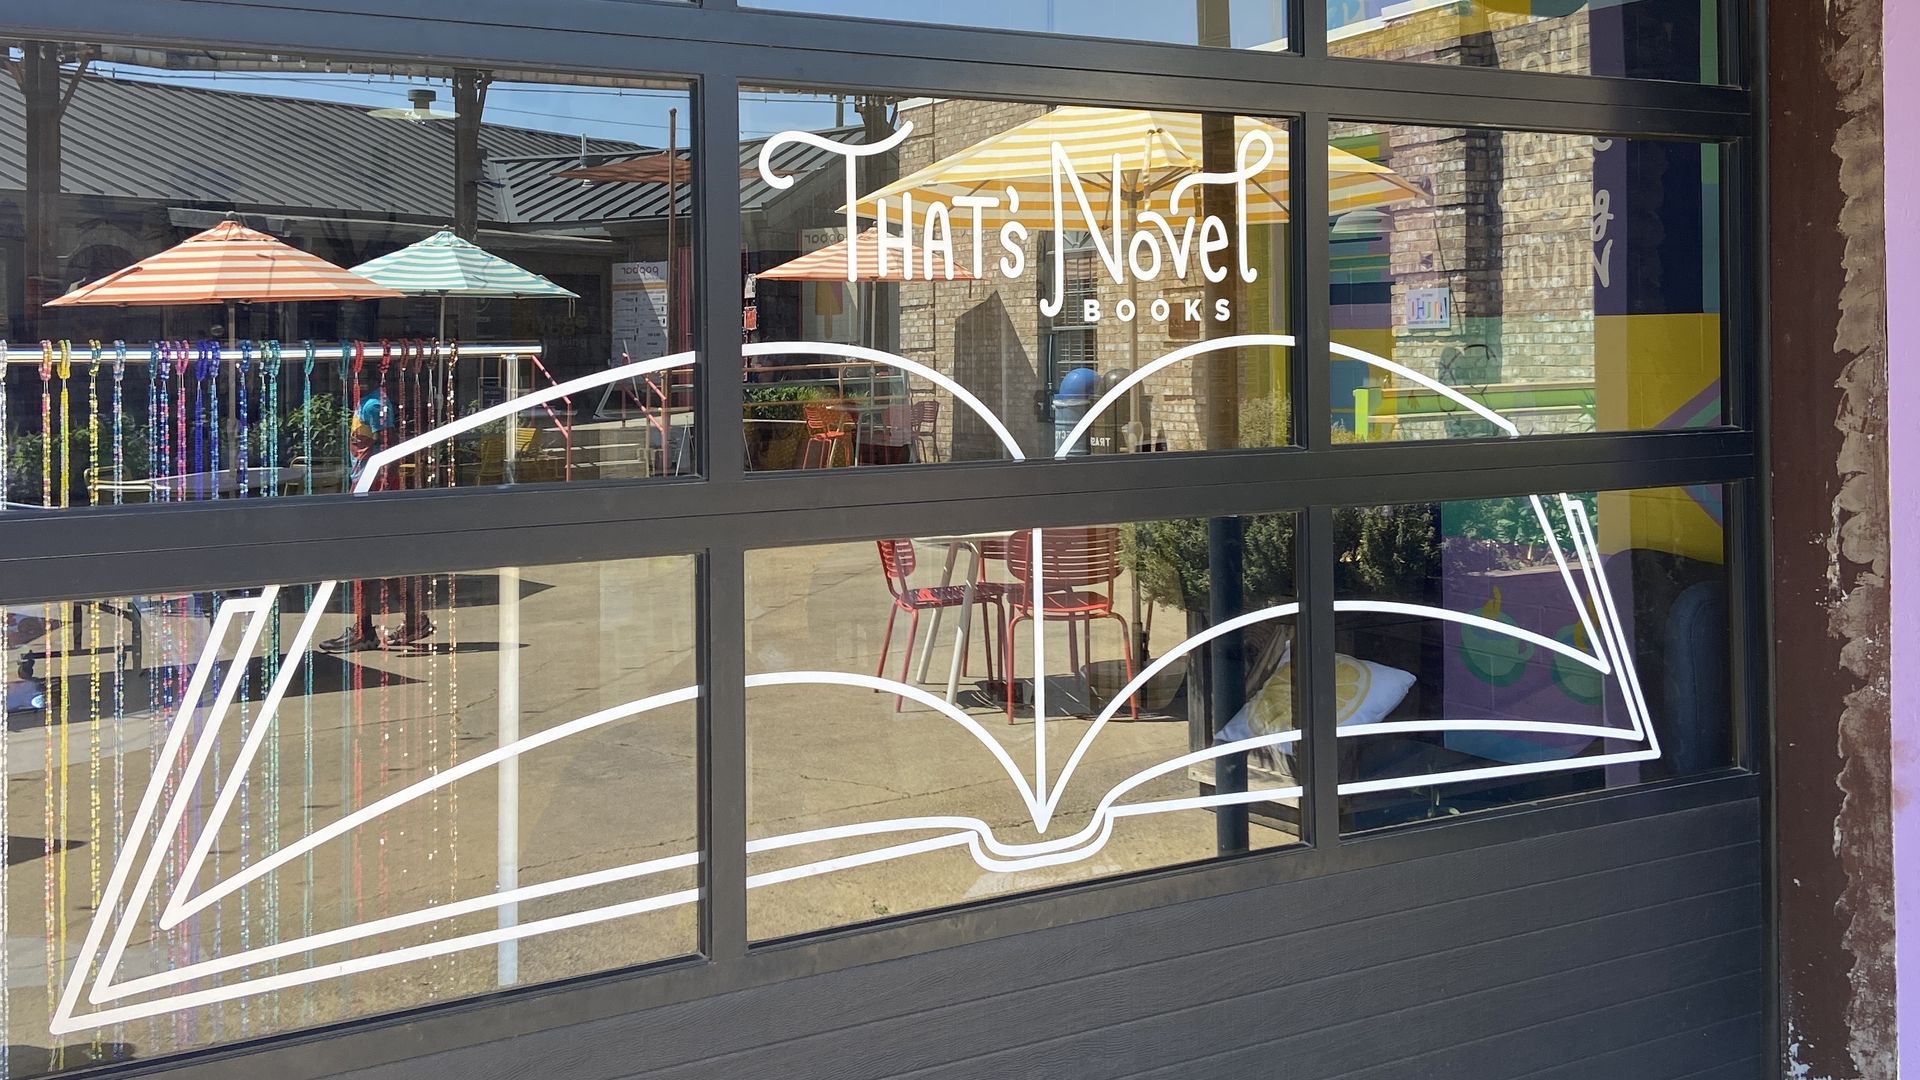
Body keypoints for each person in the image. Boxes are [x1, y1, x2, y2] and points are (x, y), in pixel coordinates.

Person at [319, 387, 435, 651]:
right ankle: (373, 627)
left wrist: (378, 489)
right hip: (366, 486)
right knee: (373, 563)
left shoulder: (374, 404)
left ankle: (375, 628)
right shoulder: (367, 402)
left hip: (371, 489)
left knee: (374, 562)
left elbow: (389, 447)